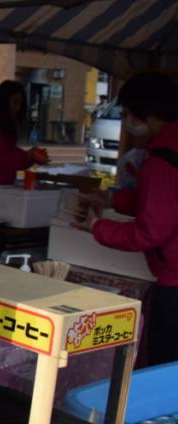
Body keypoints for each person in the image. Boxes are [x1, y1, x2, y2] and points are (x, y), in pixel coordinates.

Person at [76, 73, 178, 366]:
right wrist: (111, 199)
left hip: (174, 283)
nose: (127, 121)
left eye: (129, 113)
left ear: (147, 112)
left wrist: (98, 227)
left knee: (165, 369)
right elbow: (162, 202)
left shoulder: (161, 161)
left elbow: (151, 231)